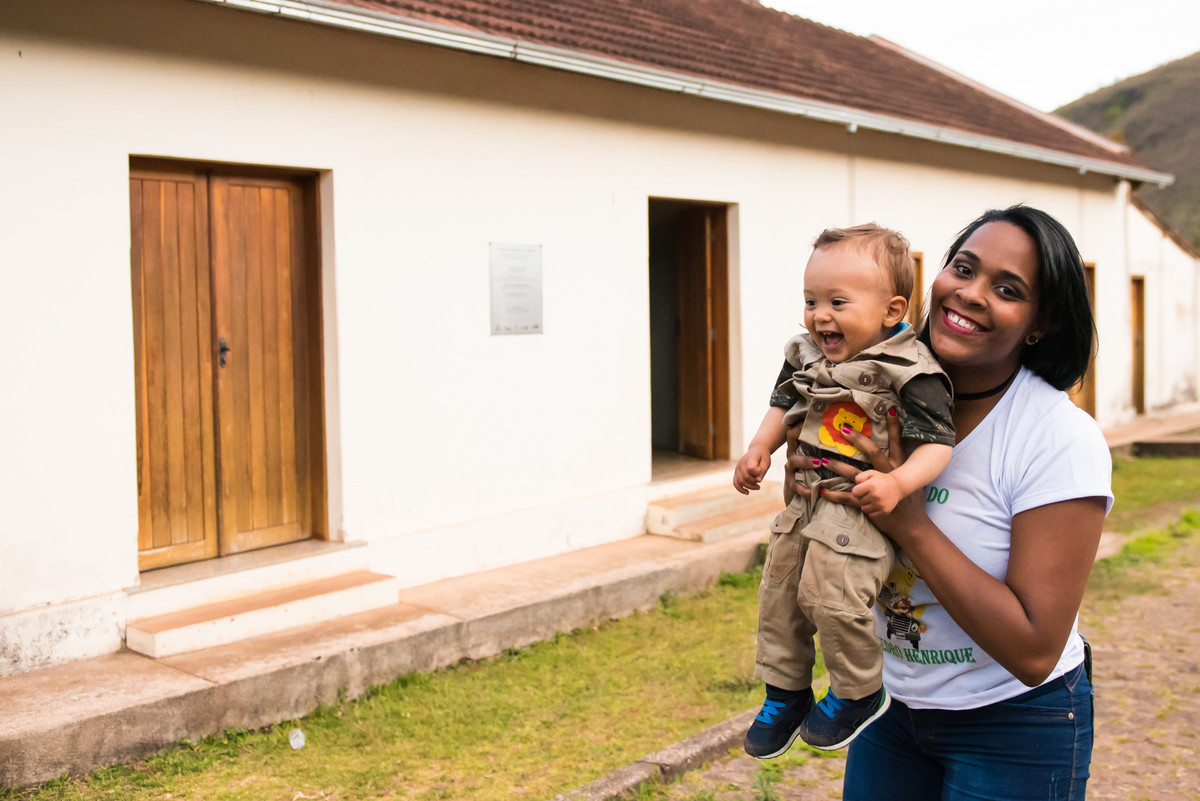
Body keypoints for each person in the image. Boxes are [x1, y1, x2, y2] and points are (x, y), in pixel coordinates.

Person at [807, 206, 1111, 800]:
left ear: (1039, 324)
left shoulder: (1056, 438)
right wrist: (811, 474)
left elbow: (1034, 649)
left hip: (1016, 722)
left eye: (1006, 289)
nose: (969, 294)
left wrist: (911, 524)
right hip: (890, 707)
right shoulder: (873, 390)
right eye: (962, 268)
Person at [733, 224, 956, 757]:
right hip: (804, 500)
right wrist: (759, 449)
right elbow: (780, 403)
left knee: (830, 599)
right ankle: (784, 693)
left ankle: (857, 691)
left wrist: (897, 482)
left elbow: (939, 444)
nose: (820, 315)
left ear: (890, 309)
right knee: (779, 597)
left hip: (858, 508)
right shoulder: (806, 354)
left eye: (837, 301)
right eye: (811, 300)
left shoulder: (910, 369)